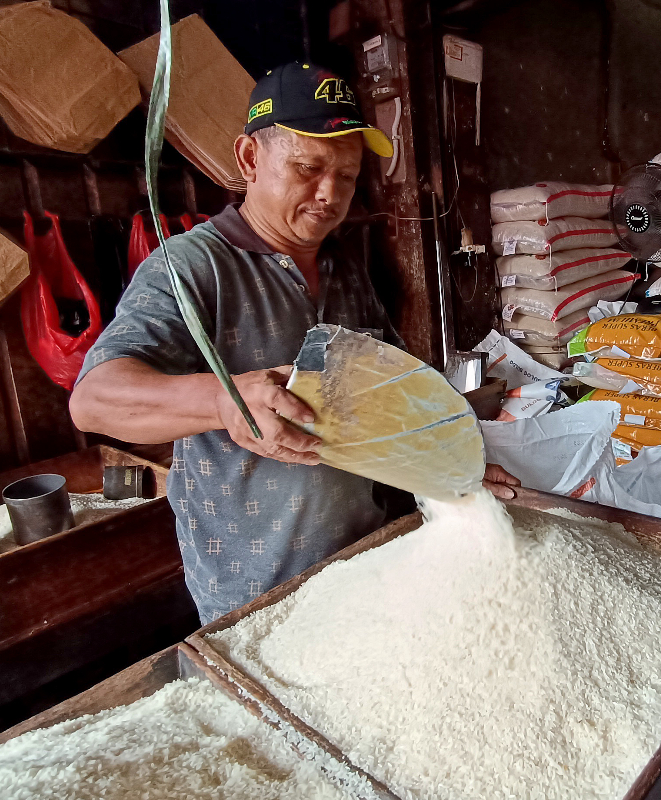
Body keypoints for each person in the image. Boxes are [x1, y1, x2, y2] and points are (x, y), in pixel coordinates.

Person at [70, 62, 518, 622]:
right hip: (260, 597)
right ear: (250, 159)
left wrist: (453, 464)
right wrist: (222, 401)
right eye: (308, 167)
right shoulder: (191, 267)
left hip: (368, 565)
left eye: (348, 176)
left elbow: (394, 400)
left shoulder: (344, 268)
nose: (329, 194)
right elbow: (93, 399)